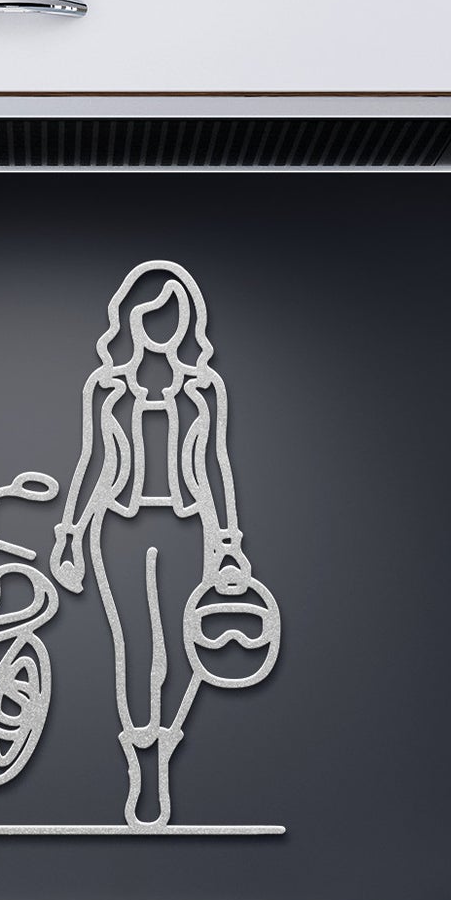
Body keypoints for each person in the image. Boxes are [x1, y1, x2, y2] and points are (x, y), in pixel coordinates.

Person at [49, 260, 280, 827]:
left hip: (186, 526)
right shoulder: (106, 389)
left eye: (172, 314)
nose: (162, 324)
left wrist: (229, 538)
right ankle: (137, 758)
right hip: (117, 527)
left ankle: (162, 760)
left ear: (186, 323)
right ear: (133, 319)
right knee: (131, 648)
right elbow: (92, 464)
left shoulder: (204, 391)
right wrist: (70, 535)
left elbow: (216, 467)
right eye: (153, 314)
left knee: (179, 650)